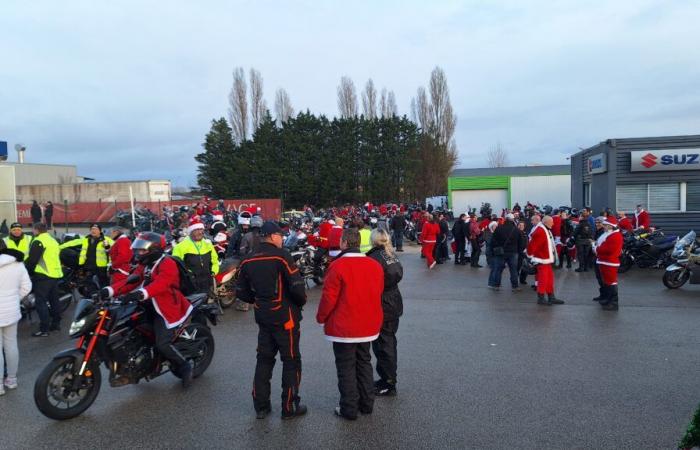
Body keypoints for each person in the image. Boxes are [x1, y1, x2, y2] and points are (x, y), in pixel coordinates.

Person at [102, 232, 194, 388]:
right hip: (148, 304)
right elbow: (131, 281)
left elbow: (161, 284)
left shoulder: (167, 263)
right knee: (129, 331)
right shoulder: (144, 265)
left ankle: (185, 366)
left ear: (155, 249)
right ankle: (136, 367)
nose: (139, 253)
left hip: (167, 308)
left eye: (142, 251)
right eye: (138, 250)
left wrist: (140, 293)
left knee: (162, 343)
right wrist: (109, 290)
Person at [235, 221, 307, 420]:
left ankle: (261, 407)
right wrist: (300, 302)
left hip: (263, 315)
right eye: (281, 235)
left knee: (264, 360)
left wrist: (258, 300)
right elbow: (298, 286)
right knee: (291, 361)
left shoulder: (248, 259)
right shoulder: (281, 255)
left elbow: (240, 291)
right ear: (273, 236)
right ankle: (289, 406)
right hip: (285, 317)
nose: (282, 238)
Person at [317, 228, 384, 420]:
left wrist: (321, 317)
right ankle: (367, 403)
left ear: (344, 242)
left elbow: (329, 298)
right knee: (364, 362)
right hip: (368, 325)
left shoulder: (337, 266)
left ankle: (349, 408)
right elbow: (377, 292)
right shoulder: (374, 265)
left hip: (344, 326)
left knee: (346, 366)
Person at [366, 229, 403, 397]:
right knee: (387, 343)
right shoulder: (390, 254)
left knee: (384, 345)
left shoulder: (374, 257)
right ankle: (386, 379)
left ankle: (389, 382)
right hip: (393, 301)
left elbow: (369, 282)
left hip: (383, 303)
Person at [0, 248, 32, 395]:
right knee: (11, 345)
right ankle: (11, 380)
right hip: (11, 311)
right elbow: (27, 287)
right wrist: (14, 299)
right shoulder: (18, 263)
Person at [25, 222, 63, 336]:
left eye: (33, 229)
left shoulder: (38, 241)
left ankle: (44, 329)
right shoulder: (53, 240)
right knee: (54, 301)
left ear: (36, 230)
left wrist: (27, 272)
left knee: (40, 302)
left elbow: (32, 260)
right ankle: (56, 324)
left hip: (43, 275)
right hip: (55, 274)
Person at [172, 217, 219, 294]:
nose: (200, 232)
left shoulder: (208, 244)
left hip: (207, 283)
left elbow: (215, 260)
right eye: (197, 230)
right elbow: (176, 268)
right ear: (190, 232)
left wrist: (213, 272)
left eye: (201, 229)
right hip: (190, 287)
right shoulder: (180, 247)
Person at [527, 216, 564, 305]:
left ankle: (551, 296)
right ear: (547, 222)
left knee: (549, 279)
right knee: (543, 279)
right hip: (541, 259)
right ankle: (541, 298)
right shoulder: (540, 231)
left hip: (546, 259)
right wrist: (530, 257)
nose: (553, 224)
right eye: (552, 222)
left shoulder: (545, 229)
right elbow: (532, 245)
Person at [593, 216, 624, 311]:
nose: (604, 226)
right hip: (605, 261)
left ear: (610, 226)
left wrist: (596, 248)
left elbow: (608, 249)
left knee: (611, 282)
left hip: (610, 262)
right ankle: (608, 299)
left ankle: (614, 303)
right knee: (607, 282)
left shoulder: (615, 236)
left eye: (605, 225)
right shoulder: (609, 234)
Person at [488, 213, 522, 291]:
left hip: (500, 252)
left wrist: (494, 250)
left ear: (505, 219)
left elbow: (493, 241)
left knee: (498, 269)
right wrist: (519, 251)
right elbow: (521, 242)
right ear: (513, 220)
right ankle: (515, 286)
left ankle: (496, 285)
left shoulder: (499, 228)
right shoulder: (516, 230)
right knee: (513, 270)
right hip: (513, 252)